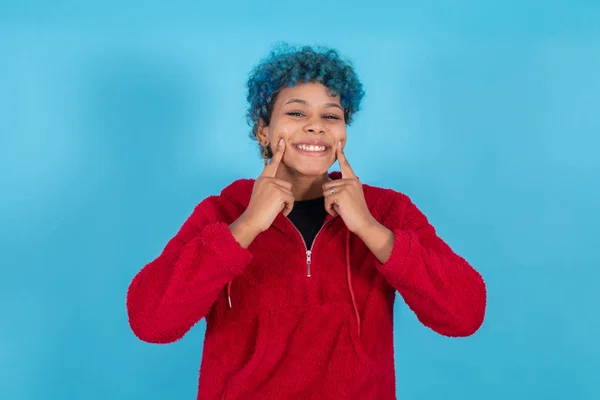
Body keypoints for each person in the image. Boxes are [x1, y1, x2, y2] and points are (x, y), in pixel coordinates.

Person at [126, 43, 487, 399]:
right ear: (263, 131)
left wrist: (371, 230)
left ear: (344, 132)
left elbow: (464, 314)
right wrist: (246, 227)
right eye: (297, 114)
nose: (316, 127)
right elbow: (151, 322)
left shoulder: (388, 210)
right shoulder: (223, 212)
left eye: (331, 116)